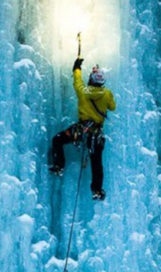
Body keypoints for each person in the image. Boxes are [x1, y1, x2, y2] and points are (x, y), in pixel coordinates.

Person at [49, 52, 116, 202]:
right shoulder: (107, 94)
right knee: (96, 162)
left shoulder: (83, 92)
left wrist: (77, 67)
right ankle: (97, 190)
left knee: (58, 140)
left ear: (91, 80)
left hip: (80, 131)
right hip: (96, 135)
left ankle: (59, 166)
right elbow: (113, 107)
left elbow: (77, 81)